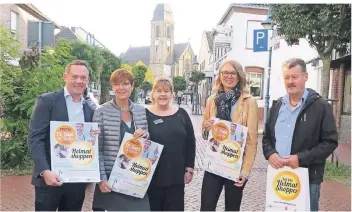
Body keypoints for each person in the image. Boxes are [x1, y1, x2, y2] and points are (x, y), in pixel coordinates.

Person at [262, 58, 338, 211]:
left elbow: (330, 142)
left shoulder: (321, 107)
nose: (290, 81)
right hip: (280, 177)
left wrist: (300, 158)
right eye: (286, 77)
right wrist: (270, 154)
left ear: (306, 76)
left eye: (294, 77)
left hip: (308, 179)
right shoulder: (276, 106)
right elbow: (266, 138)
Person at [28, 60, 96, 211]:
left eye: (83, 78)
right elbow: (35, 139)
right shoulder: (47, 101)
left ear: (87, 80)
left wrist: (94, 136)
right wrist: (44, 171)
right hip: (49, 178)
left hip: (77, 181)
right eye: (74, 76)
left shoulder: (90, 109)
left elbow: (89, 142)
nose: (79, 81)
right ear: (65, 77)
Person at [200, 59, 258, 211]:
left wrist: (245, 173)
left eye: (233, 73)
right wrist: (206, 128)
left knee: (232, 208)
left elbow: (252, 141)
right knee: (206, 206)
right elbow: (205, 134)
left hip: (236, 165)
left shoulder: (248, 101)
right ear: (219, 76)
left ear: (239, 76)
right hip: (214, 162)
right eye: (225, 72)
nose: (229, 76)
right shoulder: (212, 100)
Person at [92, 69, 150, 211]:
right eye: (117, 84)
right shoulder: (101, 112)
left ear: (132, 85)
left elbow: (147, 143)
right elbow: (96, 148)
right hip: (111, 180)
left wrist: (145, 135)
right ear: (112, 87)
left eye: (125, 84)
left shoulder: (140, 111)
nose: (121, 88)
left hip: (135, 178)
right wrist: (101, 178)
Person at [146, 76, 196, 211]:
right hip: (151, 178)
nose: (163, 94)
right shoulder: (144, 115)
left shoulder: (182, 114)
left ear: (172, 94)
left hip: (176, 178)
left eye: (166, 91)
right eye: (159, 91)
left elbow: (191, 142)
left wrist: (189, 169)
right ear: (153, 94)